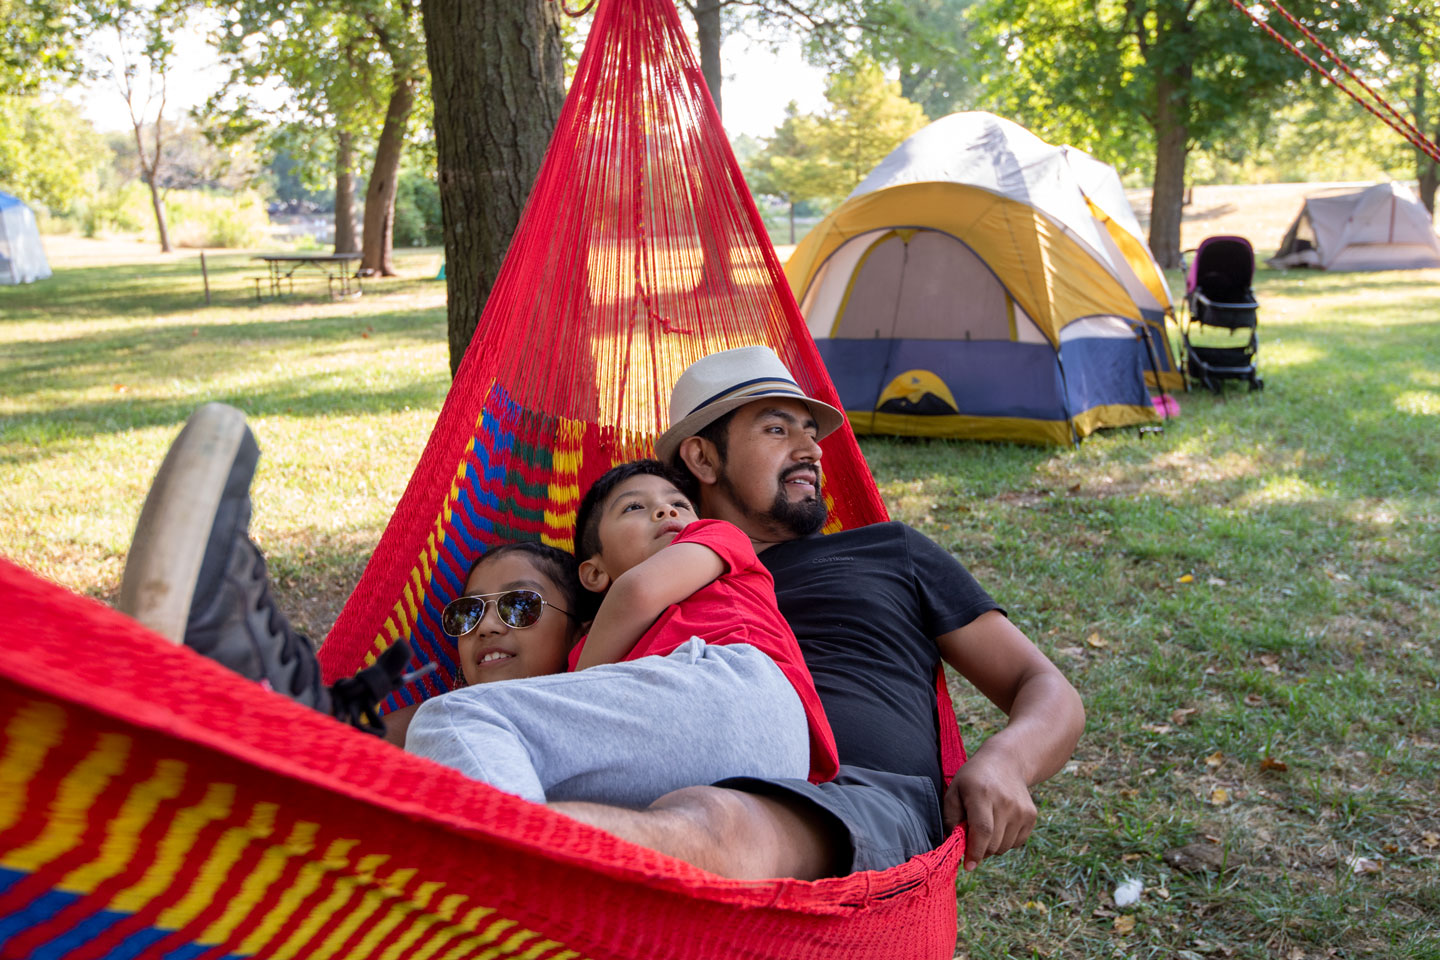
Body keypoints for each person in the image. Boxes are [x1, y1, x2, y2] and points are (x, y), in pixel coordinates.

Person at [121, 346, 1083, 881]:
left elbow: (1046, 688)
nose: (809, 447)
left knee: (712, 820)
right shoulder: (644, 565)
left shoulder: (886, 552)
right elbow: (517, 682)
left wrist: (1003, 757)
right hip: (645, 761)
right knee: (467, 734)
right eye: (775, 427)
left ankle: (432, 852)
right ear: (699, 462)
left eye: (811, 430)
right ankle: (297, 731)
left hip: (857, 795)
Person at [403, 459, 837, 806]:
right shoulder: (599, 665)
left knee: (454, 717)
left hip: (734, 690)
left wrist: (577, 680)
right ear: (593, 572)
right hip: (755, 768)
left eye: (679, 504)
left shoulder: (716, 538)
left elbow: (637, 590)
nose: (666, 511)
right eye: (635, 507)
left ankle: (522, 882)